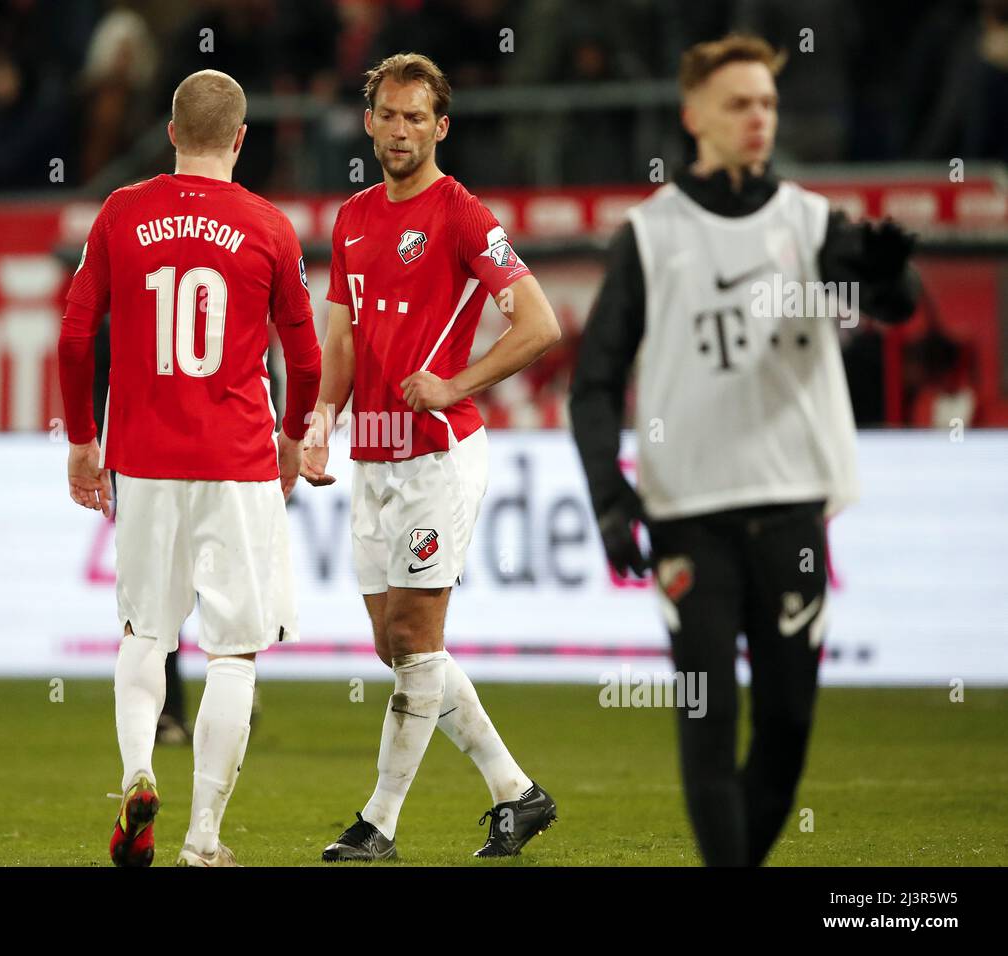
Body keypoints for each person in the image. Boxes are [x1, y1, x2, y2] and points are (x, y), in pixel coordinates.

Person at [568, 34, 921, 866]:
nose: (758, 118)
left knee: (791, 721)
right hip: (690, 516)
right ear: (694, 116)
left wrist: (889, 273)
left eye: (767, 102)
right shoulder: (652, 236)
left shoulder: (806, 220)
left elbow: (895, 305)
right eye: (739, 103)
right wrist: (609, 496)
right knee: (707, 718)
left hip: (793, 506)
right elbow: (594, 381)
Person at [301, 53, 563, 861]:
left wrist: (457, 384)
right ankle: (518, 795)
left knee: (415, 639)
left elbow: (540, 325)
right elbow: (339, 333)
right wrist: (320, 417)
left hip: (439, 454)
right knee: (398, 646)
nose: (402, 129)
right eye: (390, 114)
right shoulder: (351, 219)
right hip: (374, 457)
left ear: (441, 127)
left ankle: (377, 824)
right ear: (371, 122)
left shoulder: (462, 216)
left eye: (419, 117)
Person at [58, 69, 321, 867]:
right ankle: (204, 840)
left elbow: (74, 339)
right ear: (241, 139)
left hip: (143, 460)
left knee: (144, 632)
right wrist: (294, 436)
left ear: (171, 133)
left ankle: (140, 775)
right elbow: (304, 358)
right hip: (238, 462)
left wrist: (81, 439)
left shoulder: (120, 212)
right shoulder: (271, 226)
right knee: (234, 650)